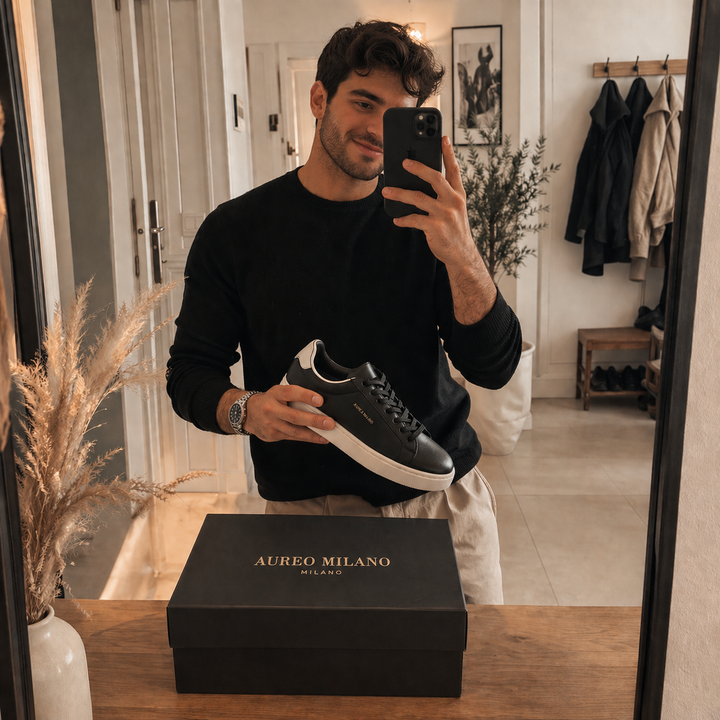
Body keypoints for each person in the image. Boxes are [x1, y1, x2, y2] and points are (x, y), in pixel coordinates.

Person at [167, 20, 522, 604]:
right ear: (318, 99)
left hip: (442, 505)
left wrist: (462, 253)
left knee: (476, 664)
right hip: (307, 518)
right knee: (321, 669)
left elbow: (493, 367)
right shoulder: (235, 232)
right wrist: (247, 411)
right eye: (364, 102)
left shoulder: (430, 225)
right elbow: (189, 374)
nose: (379, 129)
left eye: (399, 115)